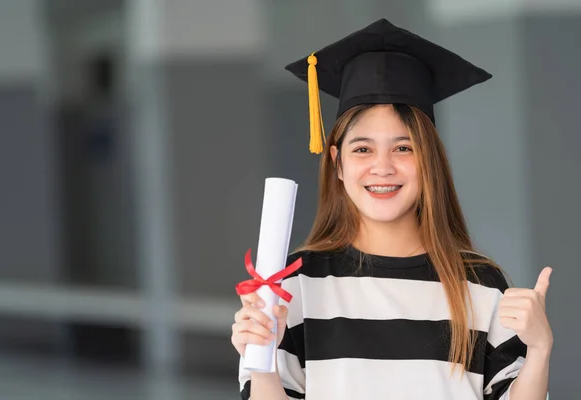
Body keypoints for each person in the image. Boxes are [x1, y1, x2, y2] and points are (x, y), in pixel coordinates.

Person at [231, 18, 552, 399]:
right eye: (362, 149)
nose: (382, 167)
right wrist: (262, 357)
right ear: (337, 163)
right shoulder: (292, 288)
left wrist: (539, 350)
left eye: (403, 148)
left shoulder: (480, 284)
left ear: (429, 161)